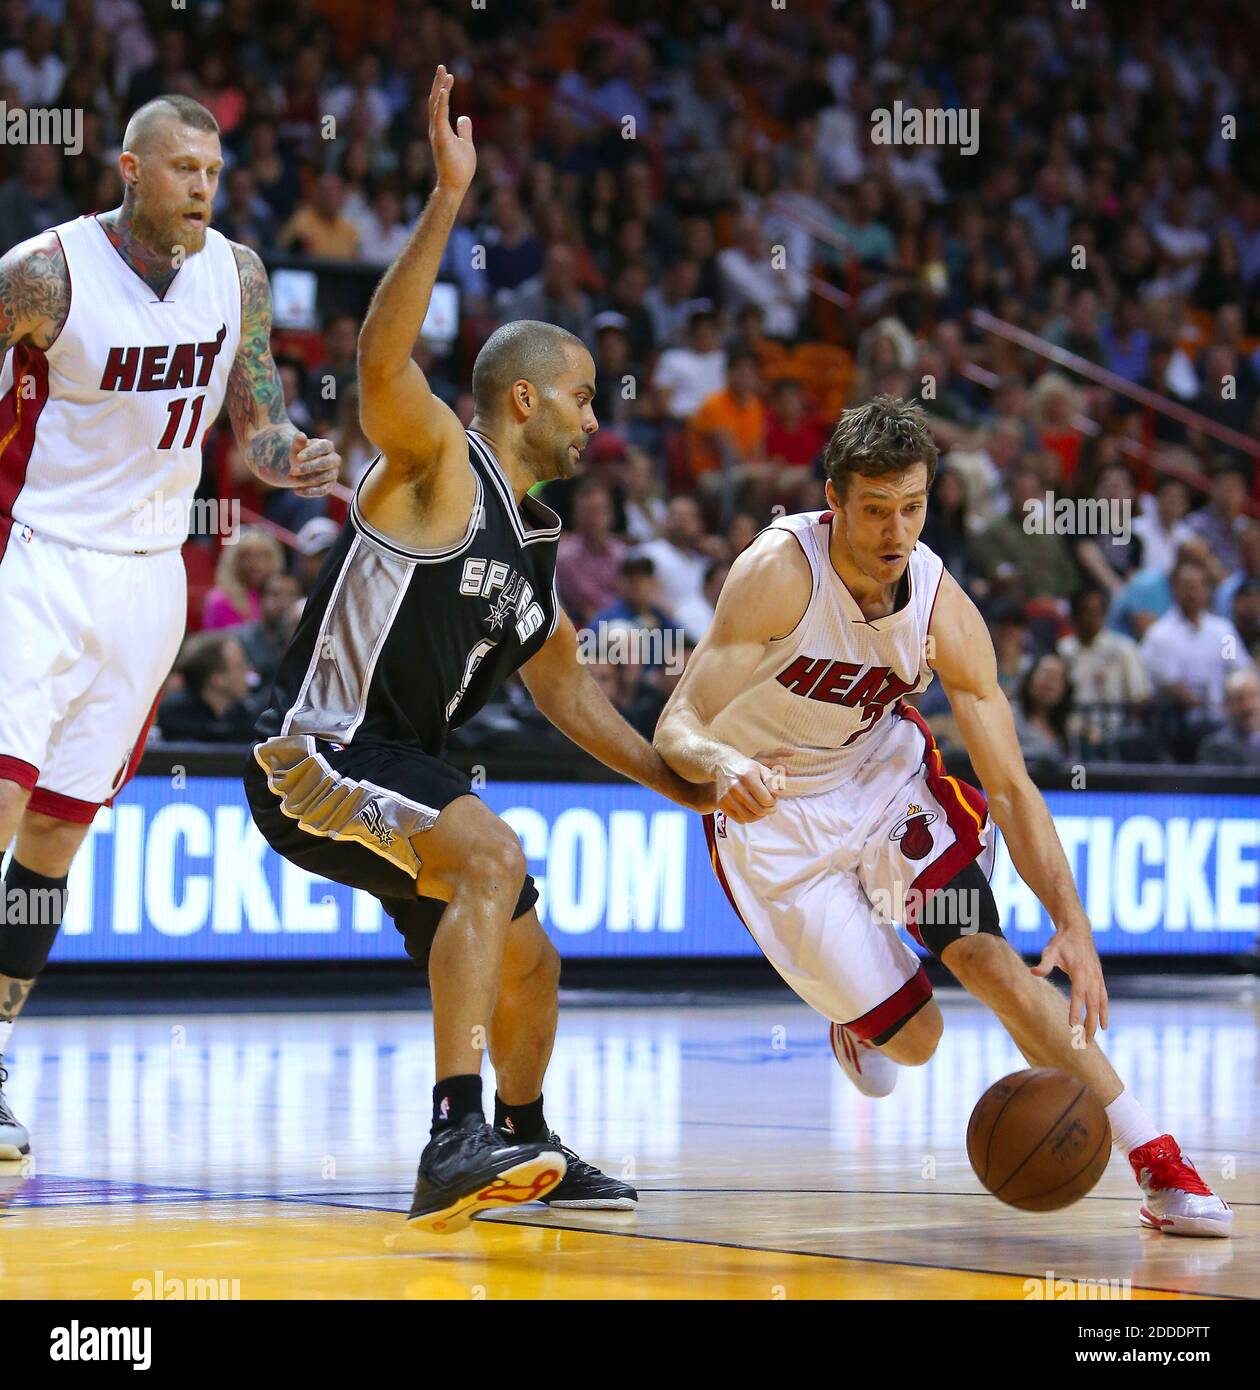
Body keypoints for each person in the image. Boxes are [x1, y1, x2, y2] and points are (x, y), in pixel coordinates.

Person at [244, 69, 714, 1235]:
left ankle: (524, 1138)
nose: (598, 421)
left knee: (534, 959)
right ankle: (454, 1133)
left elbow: (567, 689)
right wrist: (448, 199)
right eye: (584, 398)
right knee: (494, 855)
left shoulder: (535, 544)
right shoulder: (441, 459)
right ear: (518, 398)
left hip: (406, 764)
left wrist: (681, 786)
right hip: (325, 751)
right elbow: (380, 364)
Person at [653, 394, 1231, 1238]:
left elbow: (1013, 787)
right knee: (915, 1043)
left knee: (987, 957)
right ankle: (863, 1028)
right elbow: (676, 726)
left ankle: (1157, 1160)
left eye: (913, 508)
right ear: (834, 500)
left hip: (882, 782)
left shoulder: (939, 608)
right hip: (770, 815)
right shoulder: (779, 572)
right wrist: (726, 765)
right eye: (876, 510)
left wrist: (1071, 920)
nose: (896, 532)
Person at [0, 94, 341, 1160]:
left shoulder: (236, 273)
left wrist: (298, 463)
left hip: (151, 582)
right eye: (184, 167)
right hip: (35, 553)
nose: (203, 186)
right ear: (130, 171)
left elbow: (259, 423)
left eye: (215, 170)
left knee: (55, 835)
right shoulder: (44, 273)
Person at [155, 632, 258, 742]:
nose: (248, 671)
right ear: (218, 679)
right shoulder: (175, 716)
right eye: (240, 666)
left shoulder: (246, 717)